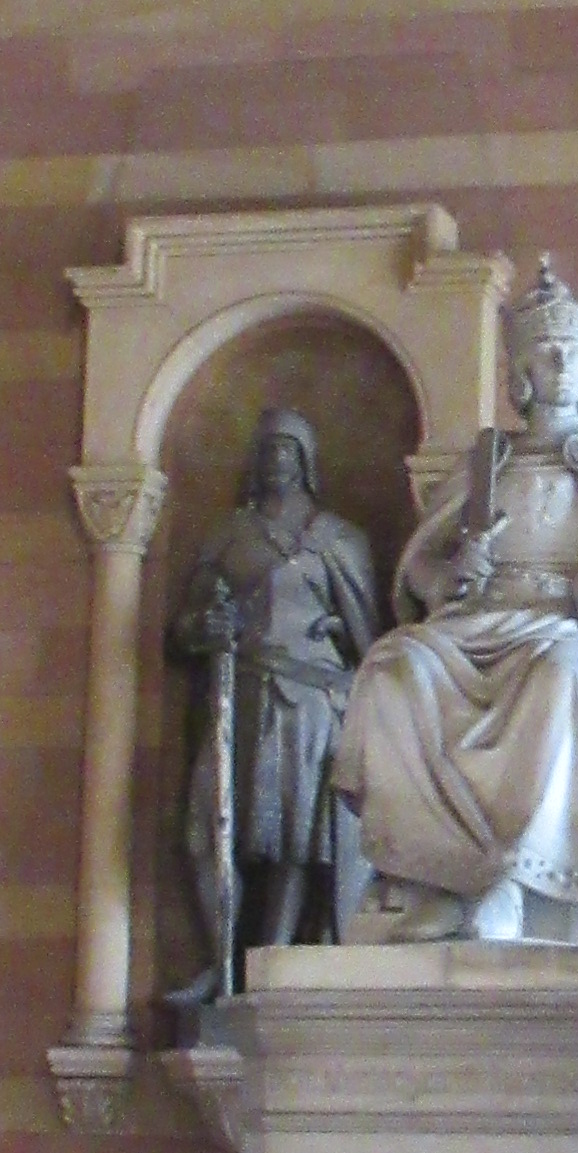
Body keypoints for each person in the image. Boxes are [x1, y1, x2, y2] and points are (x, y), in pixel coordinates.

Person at [334, 261, 578, 931]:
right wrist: (451, 573)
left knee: (566, 676)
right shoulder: (487, 464)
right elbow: (423, 566)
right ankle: (432, 871)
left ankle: (525, 877)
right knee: (394, 669)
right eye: (546, 351)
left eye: (571, 350)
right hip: (482, 624)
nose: (562, 363)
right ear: (521, 370)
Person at [167, 412, 382, 991]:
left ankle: (273, 957)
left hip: (309, 697)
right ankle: (221, 957)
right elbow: (185, 625)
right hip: (239, 692)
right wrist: (206, 626)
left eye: (288, 449)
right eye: (268, 449)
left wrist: (338, 630)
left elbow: (370, 639)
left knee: (296, 834)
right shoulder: (229, 534)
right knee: (210, 829)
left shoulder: (337, 538)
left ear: (305, 461)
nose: (276, 460)